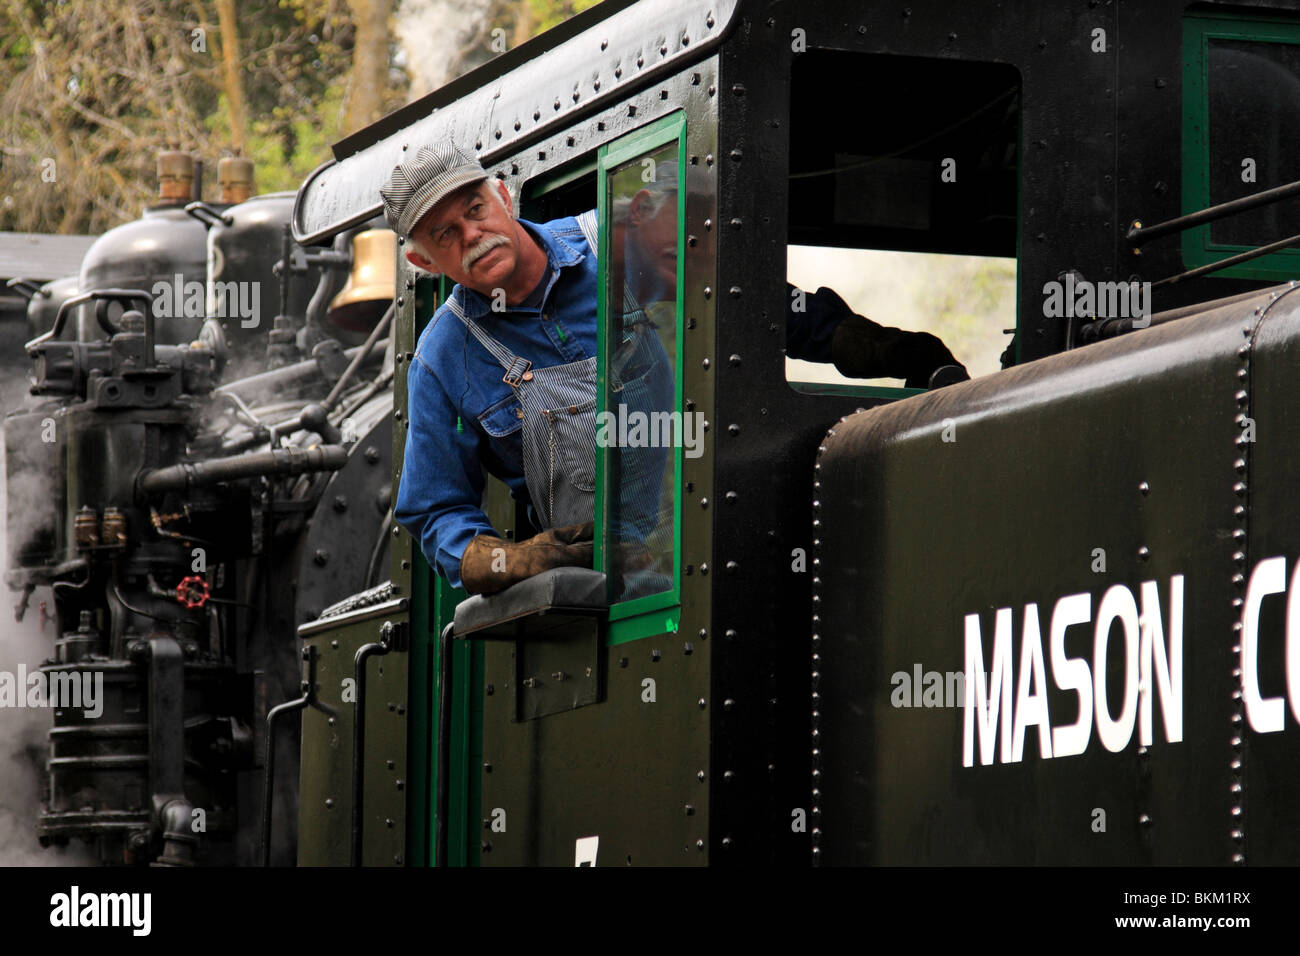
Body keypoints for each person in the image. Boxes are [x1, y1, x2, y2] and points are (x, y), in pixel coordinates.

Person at [386, 144, 965, 596]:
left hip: (739, 541)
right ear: (421, 260)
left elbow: (762, 311)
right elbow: (434, 510)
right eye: (446, 235)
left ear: (504, 198)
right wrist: (513, 559)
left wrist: (894, 352)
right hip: (616, 600)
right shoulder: (443, 359)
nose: (473, 236)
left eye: (475, 210)